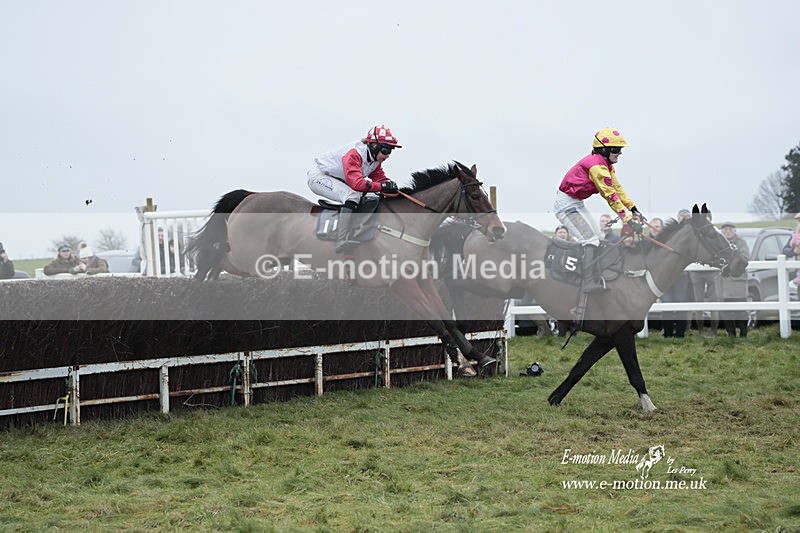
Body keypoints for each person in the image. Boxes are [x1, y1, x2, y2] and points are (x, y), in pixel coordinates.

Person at [555, 127, 645, 292]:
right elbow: (610, 195)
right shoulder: (597, 167)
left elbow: (617, 188)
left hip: (576, 203)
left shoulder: (606, 165)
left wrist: (633, 208)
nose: (620, 153)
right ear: (604, 150)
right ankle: (587, 281)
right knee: (590, 240)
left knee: (599, 236)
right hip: (566, 205)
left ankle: (595, 275)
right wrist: (628, 220)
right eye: (616, 149)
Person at [308, 125, 401, 253]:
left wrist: (390, 186)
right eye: (385, 150)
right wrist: (382, 186)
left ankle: (355, 228)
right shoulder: (355, 153)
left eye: (390, 151)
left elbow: (378, 178)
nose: (388, 155)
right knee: (352, 195)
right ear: (374, 146)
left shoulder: (375, 161)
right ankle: (341, 239)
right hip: (320, 176)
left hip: (338, 178)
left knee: (371, 196)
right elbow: (357, 184)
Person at [660, 209, 692, 338]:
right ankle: (667, 333)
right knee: (666, 302)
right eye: (682, 216)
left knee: (680, 303)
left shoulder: (692, 235)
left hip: (681, 275)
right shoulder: (670, 233)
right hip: (667, 276)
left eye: (687, 217)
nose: (684, 219)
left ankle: (680, 333)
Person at [688, 210, 719, 337]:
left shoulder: (715, 232)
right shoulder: (695, 233)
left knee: (713, 300)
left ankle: (713, 330)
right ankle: (701, 330)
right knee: (698, 301)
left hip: (712, 271)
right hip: (697, 271)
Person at [718, 222, 751, 338]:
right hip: (722, 283)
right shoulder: (718, 243)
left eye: (730, 229)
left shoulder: (741, 243)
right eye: (725, 229)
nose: (727, 231)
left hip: (737, 281)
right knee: (724, 311)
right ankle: (731, 334)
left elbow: (745, 258)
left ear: (735, 231)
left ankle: (743, 333)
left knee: (740, 311)